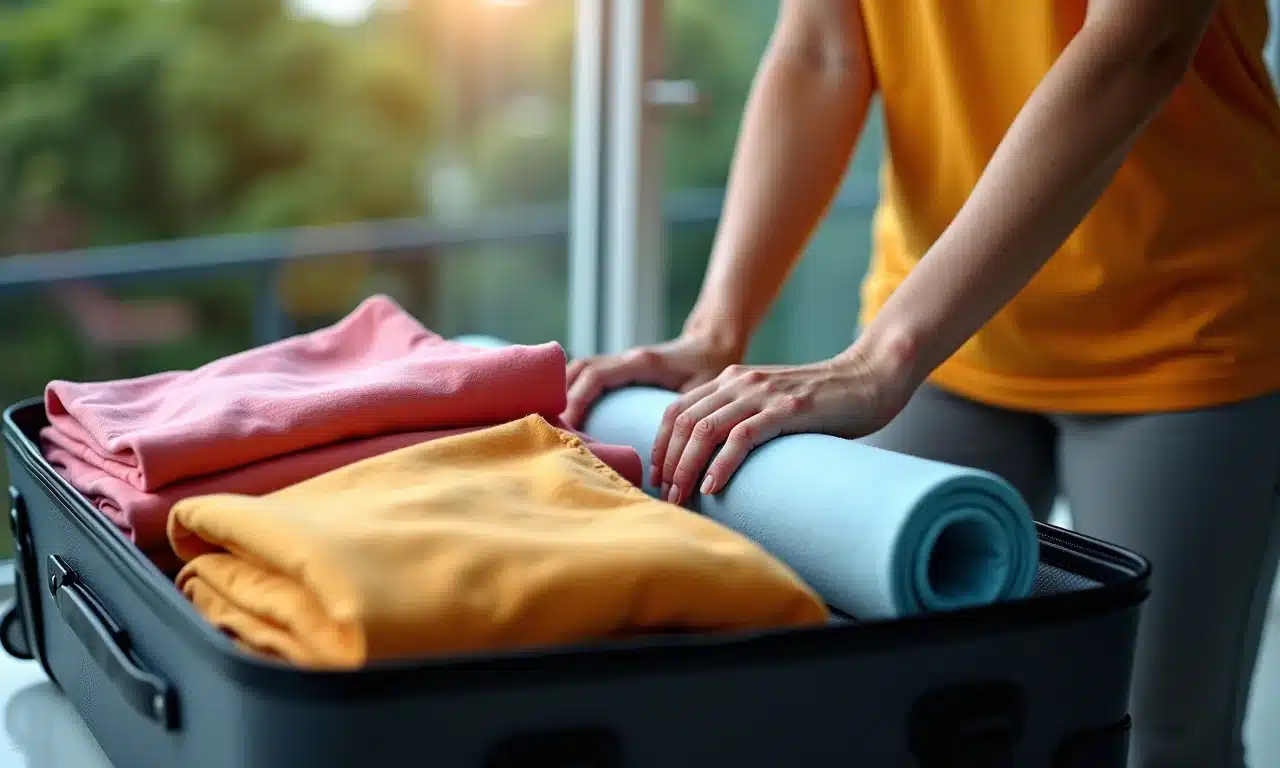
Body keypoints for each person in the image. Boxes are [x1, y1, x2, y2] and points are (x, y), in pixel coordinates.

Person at [562, 1, 1280, 766]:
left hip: (1184, 322)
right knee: (888, 712)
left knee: (1161, 740)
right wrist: (715, 331)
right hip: (941, 333)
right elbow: (821, 54)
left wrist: (879, 361)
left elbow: (1140, 42)